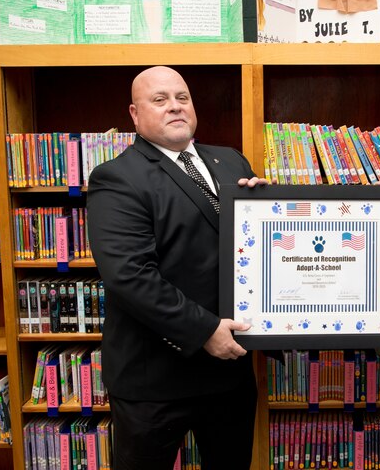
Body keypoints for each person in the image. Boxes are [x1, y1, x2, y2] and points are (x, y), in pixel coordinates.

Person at [87, 66, 267, 470]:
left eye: (182, 98)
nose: (174, 107)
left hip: (229, 376)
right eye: (160, 99)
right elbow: (129, 276)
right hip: (153, 382)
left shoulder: (232, 163)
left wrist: (268, 209)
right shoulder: (116, 178)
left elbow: (256, 253)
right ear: (135, 114)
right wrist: (204, 330)